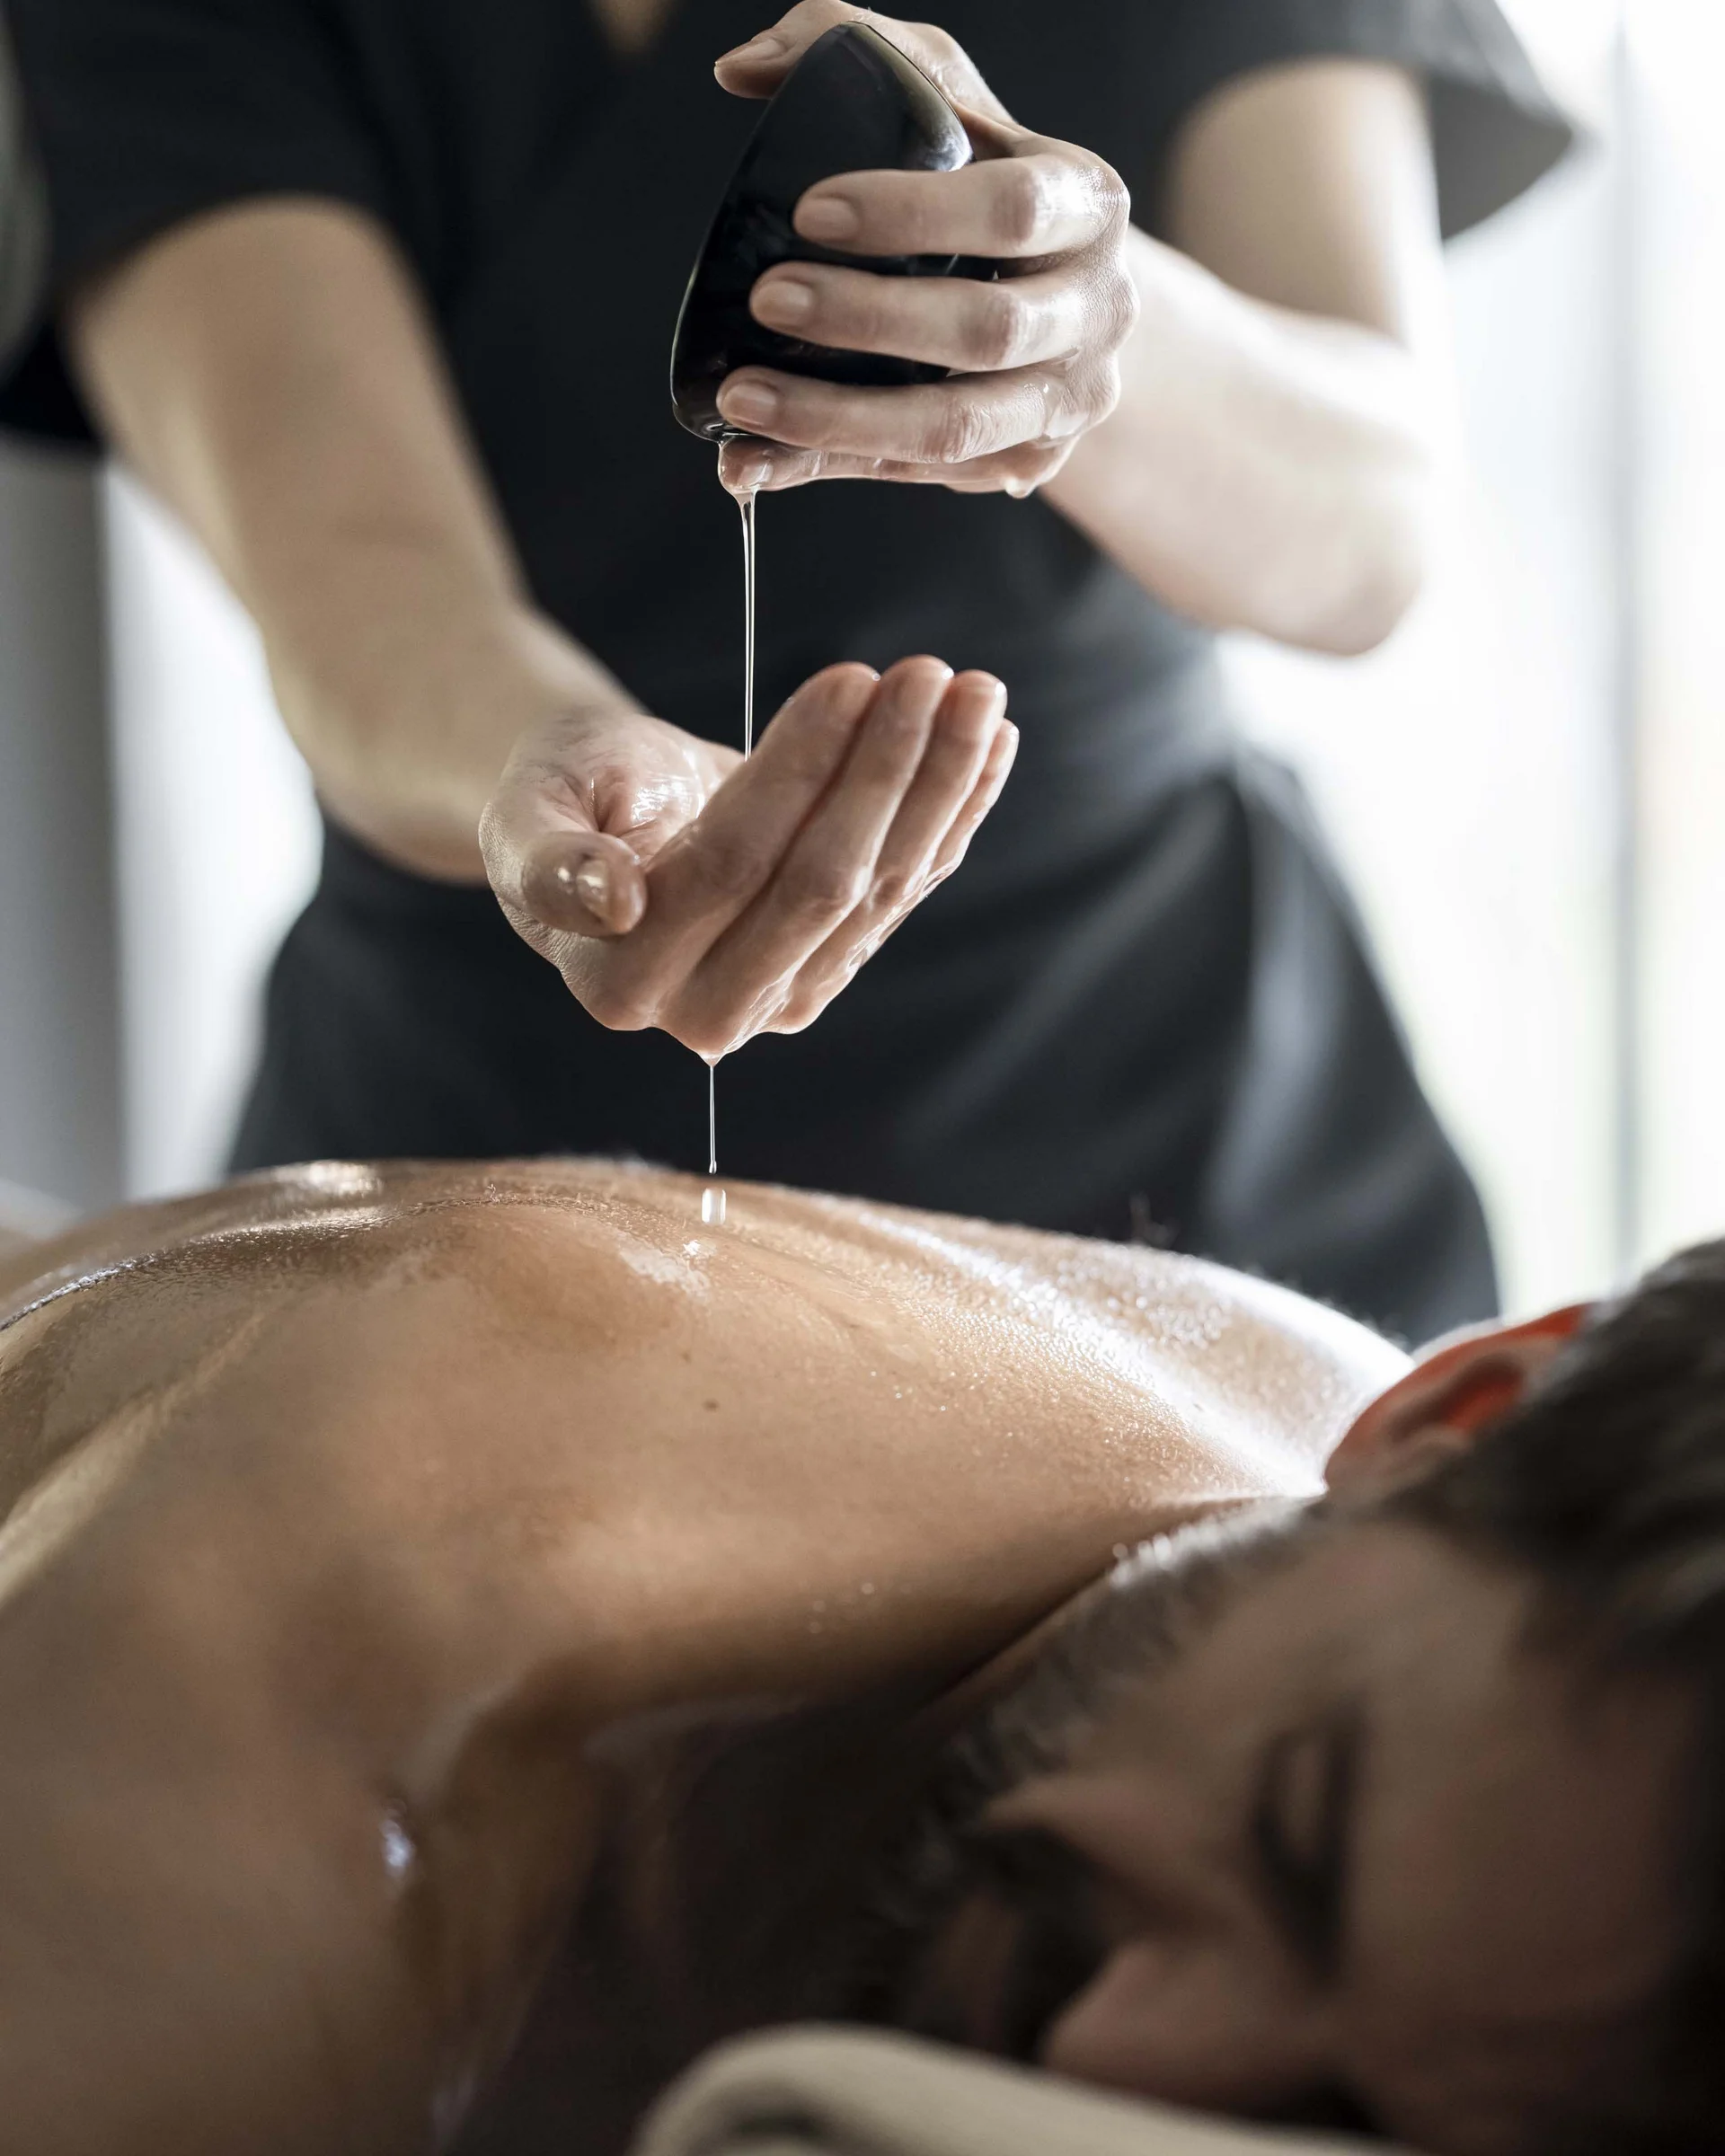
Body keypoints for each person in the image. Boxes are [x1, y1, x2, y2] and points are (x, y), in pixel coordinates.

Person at [0, 0, 1573, 1341]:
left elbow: (1372, 531)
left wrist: (1100, 333)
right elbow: (363, 587)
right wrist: (558, 770)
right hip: (484, 1174)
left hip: (1159, 1122)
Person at [1, 1157, 1721, 2155]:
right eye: (1292, 1838)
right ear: (1450, 1415)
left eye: (1333, 2122)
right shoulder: (355, 1663)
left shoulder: (1413, 1587)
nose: (1127, 2067)